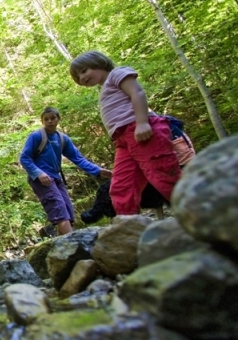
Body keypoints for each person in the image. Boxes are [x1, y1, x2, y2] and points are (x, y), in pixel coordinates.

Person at [69, 51, 182, 215]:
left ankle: (200, 211)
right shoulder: (104, 90)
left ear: (99, 63)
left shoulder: (116, 74)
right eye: (78, 76)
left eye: (84, 70)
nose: (82, 77)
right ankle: (129, 225)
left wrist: (142, 122)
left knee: (163, 175)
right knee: (121, 185)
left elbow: (137, 93)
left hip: (141, 131)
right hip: (123, 142)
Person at [19, 107, 112, 235]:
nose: (49, 121)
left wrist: (98, 170)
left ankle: (61, 247)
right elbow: (24, 158)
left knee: (67, 210)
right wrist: (38, 173)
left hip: (56, 178)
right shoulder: (36, 136)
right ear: (42, 121)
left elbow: (78, 158)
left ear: (58, 119)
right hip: (41, 179)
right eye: (46, 119)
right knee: (58, 208)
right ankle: (74, 242)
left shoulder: (62, 139)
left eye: (52, 118)